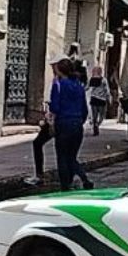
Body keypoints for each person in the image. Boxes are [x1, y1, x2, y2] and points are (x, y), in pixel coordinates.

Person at [48, 58, 93, 191]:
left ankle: (65, 185)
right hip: (77, 124)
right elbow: (84, 108)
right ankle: (84, 179)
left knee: (62, 156)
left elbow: (55, 107)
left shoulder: (59, 84)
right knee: (72, 156)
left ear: (59, 70)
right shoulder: (78, 85)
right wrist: (80, 120)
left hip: (63, 123)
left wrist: (51, 122)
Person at [87, 67, 111, 137]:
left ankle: (95, 126)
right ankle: (97, 124)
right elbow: (107, 89)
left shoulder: (91, 79)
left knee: (94, 115)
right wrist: (108, 97)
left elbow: (87, 87)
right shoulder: (104, 80)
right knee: (102, 115)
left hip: (93, 98)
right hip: (102, 99)